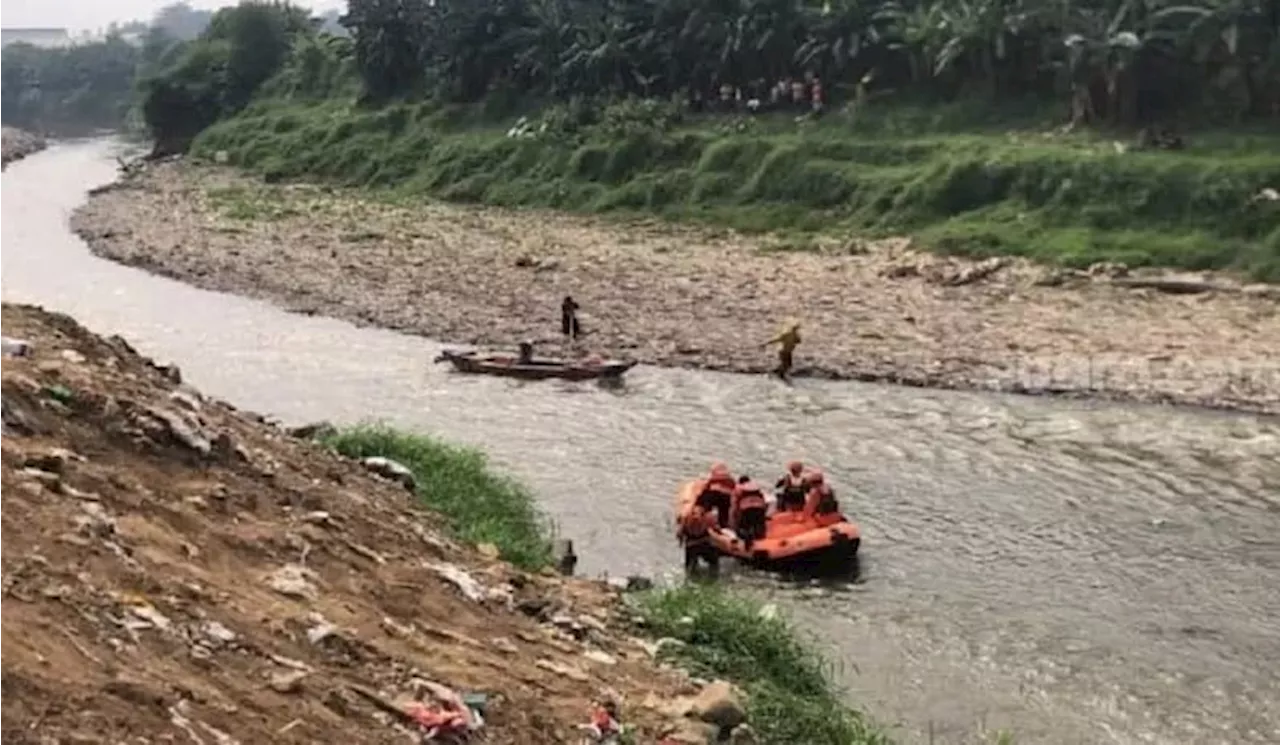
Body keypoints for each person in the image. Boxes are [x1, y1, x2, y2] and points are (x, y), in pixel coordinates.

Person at [677, 504, 719, 576]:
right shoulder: (686, 519)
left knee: (713, 562)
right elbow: (679, 533)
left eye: (697, 514)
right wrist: (681, 542)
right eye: (693, 514)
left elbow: (716, 530)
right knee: (690, 566)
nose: (695, 517)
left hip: (702, 545)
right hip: (694, 546)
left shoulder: (708, 519)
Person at [695, 462, 736, 528]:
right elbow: (734, 490)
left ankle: (702, 519)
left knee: (705, 504)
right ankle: (723, 525)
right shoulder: (730, 480)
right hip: (726, 497)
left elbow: (706, 487)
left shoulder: (713, 478)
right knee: (724, 513)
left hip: (713, 495)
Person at [733, 475, 768, 548]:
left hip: (746, 509)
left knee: (745, 526)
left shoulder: (739, 490)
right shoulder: (757, 490)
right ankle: (762, 542)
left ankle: (748, 540)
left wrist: (735, 516)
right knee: (759, 525)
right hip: (759, 508)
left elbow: (735, 505)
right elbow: (764, 502)